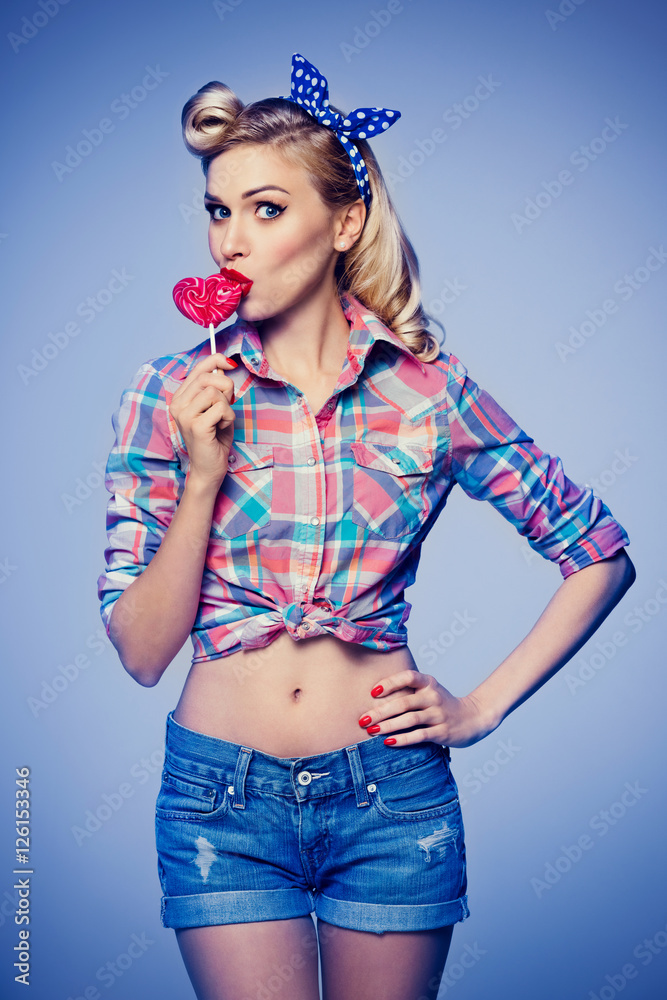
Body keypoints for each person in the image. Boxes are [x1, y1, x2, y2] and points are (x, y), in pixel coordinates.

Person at [97, 52, 635, 1000]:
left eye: (266, 210)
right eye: (219, 211)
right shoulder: (167, 395)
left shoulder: (429, 393)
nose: (230, 241)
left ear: (343, 222)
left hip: (391, 799)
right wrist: (201, 474)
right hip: (220, 801)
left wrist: (479, 708)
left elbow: (597, 554)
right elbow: (142, 652)